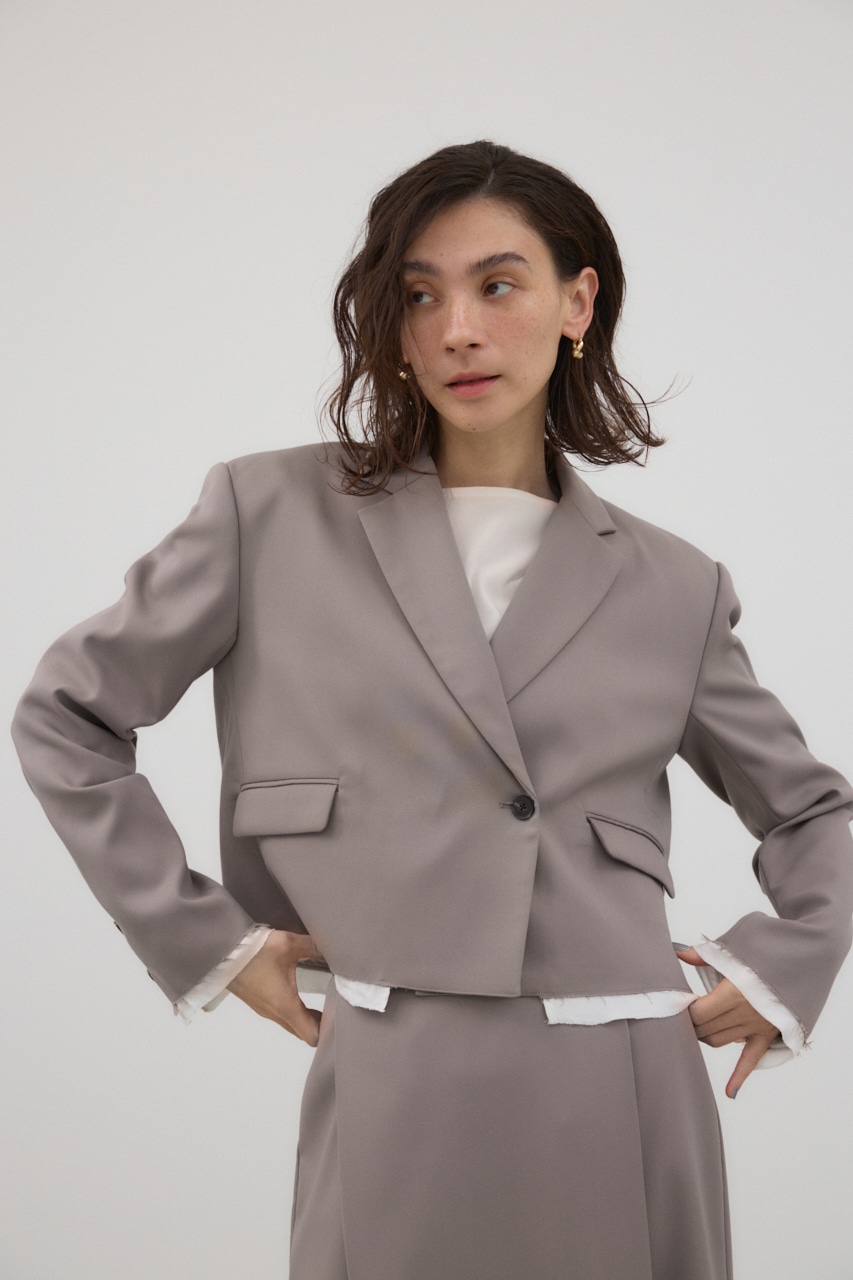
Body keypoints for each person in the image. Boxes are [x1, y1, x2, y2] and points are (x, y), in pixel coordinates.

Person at [11, 139, 853, 1280]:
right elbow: (66, 715)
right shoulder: (268, 511)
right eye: (420, 296)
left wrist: (784, 965)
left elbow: (811, 811)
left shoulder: (675, 583)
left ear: (577, 303)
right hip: (391, 1050)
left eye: (498, 285)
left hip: (623, 1070)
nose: (457, 328)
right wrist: (206, 940)